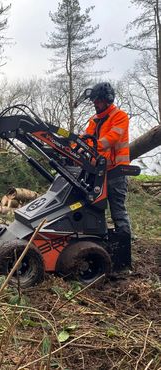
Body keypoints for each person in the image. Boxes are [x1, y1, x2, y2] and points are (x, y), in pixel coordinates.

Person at [82, 82, 132, 272]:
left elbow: (111, 139)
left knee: (118, 211)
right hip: (98, 172)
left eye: (98, 101)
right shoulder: (94, 120)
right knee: (94, 208)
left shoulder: (119, 116)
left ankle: (123, 260)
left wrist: (89, 146)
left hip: (116, 171)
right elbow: (85, 138)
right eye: (94, 100)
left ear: (107, 100)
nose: (95, 104)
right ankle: (100, 249)